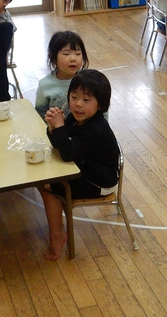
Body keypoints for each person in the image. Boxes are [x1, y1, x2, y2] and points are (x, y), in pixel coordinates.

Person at [38, 70, 119, 261]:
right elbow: (62, 142)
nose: (78, 104)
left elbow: (66, 153)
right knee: (46, 178)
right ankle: (59, 227)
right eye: (74, 97)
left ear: (101, 105)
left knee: (48, 186)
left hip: (98, 183)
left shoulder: (95, 129)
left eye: (86, 100)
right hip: (85, 169)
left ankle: (57, 236)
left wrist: (59, 128)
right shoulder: (78, 117)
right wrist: (52, 127)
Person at [35, 30, 88, 118]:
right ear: (52, 58)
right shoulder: (45, 85)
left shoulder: (89, 81)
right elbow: (40, 115)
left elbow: (101, 111)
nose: (73, 59)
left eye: (78, 53)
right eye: (66, 54)